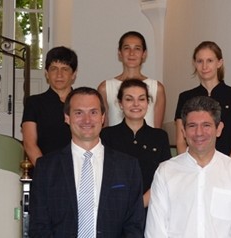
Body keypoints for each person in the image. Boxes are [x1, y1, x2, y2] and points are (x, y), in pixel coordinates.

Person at [29, 87, 145, 238]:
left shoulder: (128, 167)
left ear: (103, 117)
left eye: (93, 112)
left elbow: (134, 226)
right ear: (67, 117)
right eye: (78, 113)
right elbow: (39, 226)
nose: (87, 120)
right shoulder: (46, 167)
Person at [145, 96, 231, 237]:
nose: (199, 133)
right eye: (192, 126)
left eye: (206, 125)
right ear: (183, 130)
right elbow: (155, 230)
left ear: (218, 129)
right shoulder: (166, 171)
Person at [174, 41, 231, 161]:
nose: (204, 66)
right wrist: (190, 167)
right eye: (200, 61)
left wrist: (227, 169)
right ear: (194, 63)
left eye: (209, 61)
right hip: (193, 168)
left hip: (227, 167)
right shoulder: (185, 97)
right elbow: (181, 141)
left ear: (219, 63)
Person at [100, 79, 171, 208]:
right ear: (120, 104)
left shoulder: (159, 137)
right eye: (129, 99)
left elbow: (165, 177)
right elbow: (103, 176)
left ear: (148, 103)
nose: (136, 104)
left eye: (141, 99)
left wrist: (139, 204)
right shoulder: (107, 135)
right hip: (115, 207)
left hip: (151, 208)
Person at [22, 46, 78, 165]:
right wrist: (47, 171)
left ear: (73, 74)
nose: (59, 75)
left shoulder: (83, 102)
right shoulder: (34, 103)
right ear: (47, 73)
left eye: (65, 69)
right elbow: (29, 144)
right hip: (45, 171)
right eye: (54, 69)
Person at [98, 31, 166, 128]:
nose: (131, 53)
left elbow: (157, 129)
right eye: (126, 48)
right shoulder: (105, 88)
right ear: (120, 53)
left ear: (144, 54)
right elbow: (104, 128)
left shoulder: (157, 88)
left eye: (137, 49)